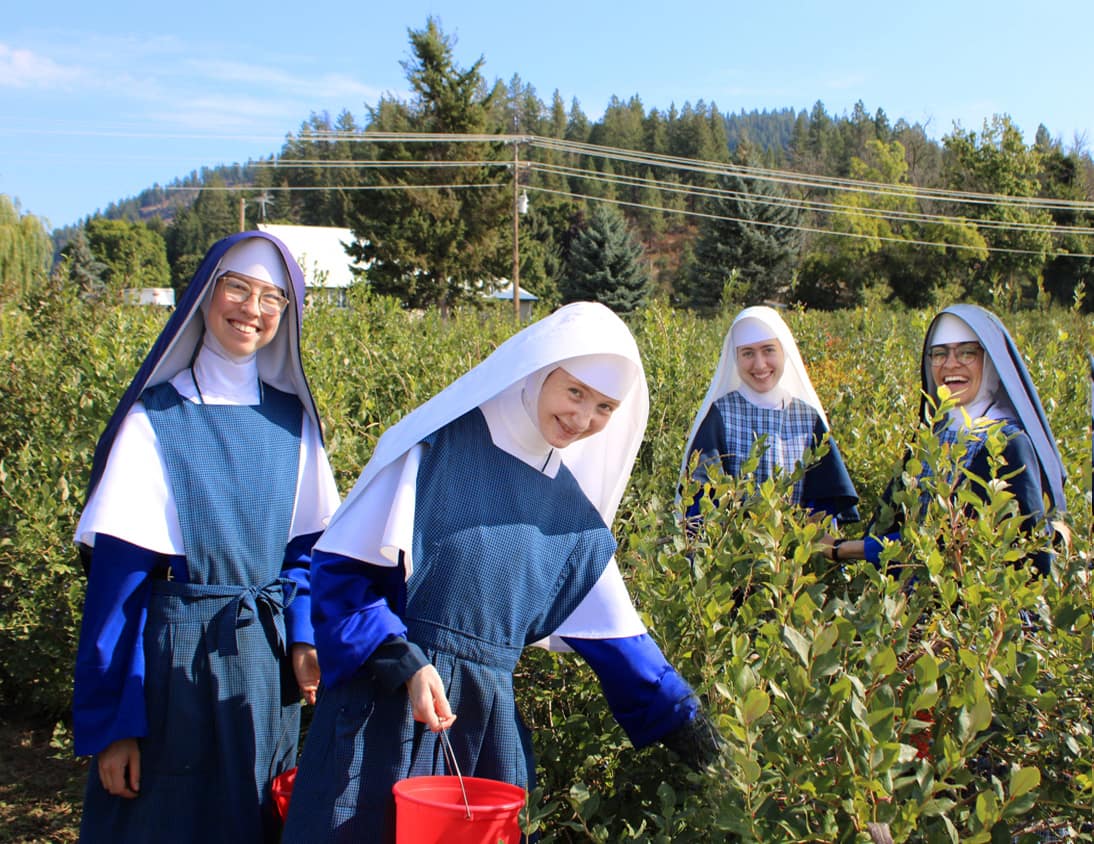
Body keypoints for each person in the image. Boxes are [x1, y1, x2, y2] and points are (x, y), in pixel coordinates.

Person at [282, 301, 721, 843]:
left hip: (482, 733)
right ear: (539, 369)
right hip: (380, 711)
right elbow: (343, 581)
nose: (583, 419)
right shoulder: (435, 447)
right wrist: (406, 662)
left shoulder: (573, 522)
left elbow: (622, 644)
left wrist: (698, 733)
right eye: (575, 392)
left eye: (605, 406)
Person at [72, 231, 341, 843]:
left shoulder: (292, 421)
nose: (252, 308)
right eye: (238, 288)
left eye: (272, 297)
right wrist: (117, 725)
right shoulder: (155, 419)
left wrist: (303, 636)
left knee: (253, 818)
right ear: (205, 295)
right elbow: (119, 589)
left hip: (263, 668)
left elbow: (308, 552)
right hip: (173, 672)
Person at [832, 304, 1066, 573]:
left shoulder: (1007, 443)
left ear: (990, 361)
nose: (951, 364)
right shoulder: (931, 436)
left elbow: (1019, 554)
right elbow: (893, 519)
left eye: (967, 352)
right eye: (940, 354)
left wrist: (845, 549)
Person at [679, 305, 859, 541]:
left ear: (784, 351)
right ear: (736, 357)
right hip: (733, 559)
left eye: (768, 350)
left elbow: (824, 501)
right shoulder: (721, 415)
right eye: (748, 353)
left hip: (793, 560)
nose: (760, 364)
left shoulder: (807, 417)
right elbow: (700, 500)